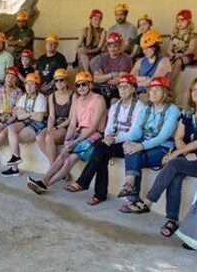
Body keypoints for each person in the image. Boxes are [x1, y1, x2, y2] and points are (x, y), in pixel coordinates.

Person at [144, 76, 197, 238]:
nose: (196, 92)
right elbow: (178, 137)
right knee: (176, 176)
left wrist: (175, 154)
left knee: (172, 165)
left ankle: (147, 201)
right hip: (187, 158)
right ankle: (171, 220)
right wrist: (186, 153)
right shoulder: (187, 113)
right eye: (193, 89)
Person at [65, 74, 144, 205]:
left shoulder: (139, 106)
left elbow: (135, 133)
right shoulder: (115, 106)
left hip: (130, 143)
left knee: (101, 151)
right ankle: (98, 194)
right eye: (120, 87)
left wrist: (115, 139)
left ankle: (85, 184)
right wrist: (107, 137)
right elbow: (109, 127)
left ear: (133, 89)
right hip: (114, 141)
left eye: (126, 87)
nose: (123, 90)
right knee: (101, 151)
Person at [26, 71, 106, 194]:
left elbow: (94, 127)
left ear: (90, 85)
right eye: (78, 85)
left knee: (69, 160)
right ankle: (43, 181)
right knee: (62, 155)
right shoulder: (77, 102)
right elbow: (73, 125)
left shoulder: (98, 99)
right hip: (80, 132)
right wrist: (68, 141)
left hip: (94, 135)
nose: (81, 88)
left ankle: (45, 184)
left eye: (84, 84)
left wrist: (75, 142)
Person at [118, 76, 181, 213]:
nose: (153, 93)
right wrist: (126, 141)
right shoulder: (146, 109)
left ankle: (131, 191)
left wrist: (140, 146)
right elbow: (135, 132)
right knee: (132, 147)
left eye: (157, 89)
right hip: (144, 146)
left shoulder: (172, 110)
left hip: (163, 149)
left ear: (166, 92)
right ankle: (130, 186)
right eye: (151, 90)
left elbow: (162, 137)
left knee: (135, 152)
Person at [1, 72, 47, 177]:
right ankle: (16, 157)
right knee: (11, 128)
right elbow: (19, 116)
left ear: (37, 86)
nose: (29, 87)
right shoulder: (23, 98)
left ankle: (14, 168)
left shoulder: (41, 97)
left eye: (32, 84)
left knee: (17, 137)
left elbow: (39, 118)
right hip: (26, 122)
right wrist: (31, 113)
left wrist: (26, 114)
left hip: (36, 124)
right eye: (27, 84)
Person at [35, 68, 74, 165]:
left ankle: (53, 168)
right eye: (56, 80)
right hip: (55, 123)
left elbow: (71, 119)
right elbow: (51, 116)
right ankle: (56, 165)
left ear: (66, 80)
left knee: (49, 138)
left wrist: (56, 128)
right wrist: (49, 128)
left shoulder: (73, 95)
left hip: (66, 126)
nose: (59, 82)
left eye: (61, 80)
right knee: (39, 137)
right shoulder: (52, 96)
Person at [132, 31, 172, 102]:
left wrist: (138, 80)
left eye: (147, 48)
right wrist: (146, 78)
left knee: (140, 100)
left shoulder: (164, 61)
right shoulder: (140, 61)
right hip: (139, 92)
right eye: (143, 49)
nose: (144, 51)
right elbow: (131, 79)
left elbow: (153, 82)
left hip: (156, 93)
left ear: (155, 48)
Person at [92, 32, 133, 102]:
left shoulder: (126, 58)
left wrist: (103, 79)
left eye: (115, 46)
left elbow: (118, 80)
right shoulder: (104, 58)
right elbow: (95, 78)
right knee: (92, 99)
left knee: (113, 101)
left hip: (117, 89)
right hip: (101, 88)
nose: (112, 49)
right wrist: (111, 75)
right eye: (109, 46)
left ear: (120, 46)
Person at [168, 9, 197, 76]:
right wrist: (170, 53)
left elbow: (191, 50)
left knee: (178, 62)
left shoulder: (191, 35)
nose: (179, 23)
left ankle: (170, 81)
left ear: (189, 21)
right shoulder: (173, 35)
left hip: (186, 56)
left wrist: (181, 54)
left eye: (182, 20)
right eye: (177, 21)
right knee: (164, 61)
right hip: (174, 55)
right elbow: (169, 48)